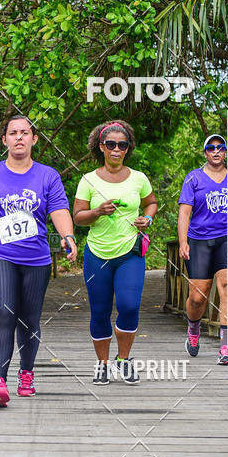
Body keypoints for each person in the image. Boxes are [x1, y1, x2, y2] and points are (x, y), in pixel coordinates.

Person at [0, 115, 77, 407]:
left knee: (29, 319)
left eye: (24, 133)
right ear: (5, 140)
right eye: (12, 133)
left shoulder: (48, 175)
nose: (18, 137)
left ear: (34, 139)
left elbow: (58, 209)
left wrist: (68, 236)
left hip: (36, 258)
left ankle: (27, 373)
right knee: (4, 314)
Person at [73, 120, 157, 385]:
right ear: (101, 147)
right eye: (111, 144)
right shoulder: (88, 180)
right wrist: (97, 212)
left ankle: (123, 359)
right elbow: (77, 217)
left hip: (130, 253)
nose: (117, 149)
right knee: (99, 311)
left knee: (129, 306)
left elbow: (151, 203)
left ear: (128, 148)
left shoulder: (139, 178)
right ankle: (102, 364)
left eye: (122, 145)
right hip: (97, 254)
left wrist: (147, 219)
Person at [178, 134, 228, 366]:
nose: (216, 151)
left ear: (225, 153)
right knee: (198, 297)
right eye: (211, 148)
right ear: (205, 153)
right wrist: (183, 241)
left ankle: (225, 347)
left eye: (220, 148)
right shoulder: (193, 178)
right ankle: (193, 329)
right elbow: (185, 212)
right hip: (199, 240)